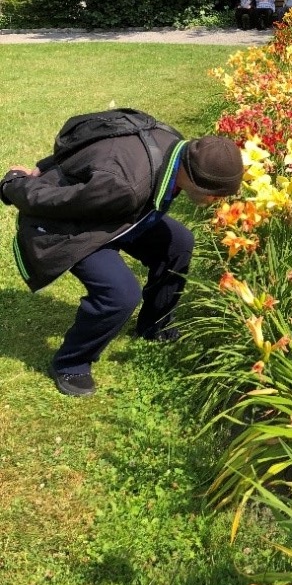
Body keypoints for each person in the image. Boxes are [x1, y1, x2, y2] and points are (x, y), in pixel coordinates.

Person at [0, 114, 243, 397]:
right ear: (195, 179)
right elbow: (59, 202)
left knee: (179, 242)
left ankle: (155, 325)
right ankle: (71, 363)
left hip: (121, 215)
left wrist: (46, 167)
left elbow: (101, 149)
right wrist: (14, 184)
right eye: (216, 195)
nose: (218, 202)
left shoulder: (175, 145)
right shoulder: (127, 184)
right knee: (120, 294)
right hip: (72, 228)